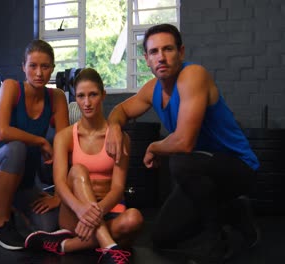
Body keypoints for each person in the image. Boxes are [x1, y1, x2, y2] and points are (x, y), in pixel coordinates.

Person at [105, 24, 260, 264]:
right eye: (154, 51)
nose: (161, 57)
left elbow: (184, 142)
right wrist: (114, 126)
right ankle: (235, 212)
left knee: (180, 161)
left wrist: (153, 147)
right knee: (162, 237)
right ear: (146, 59)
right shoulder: (152, 89)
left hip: (238, 168)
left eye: (168, 49)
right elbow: (121, 109)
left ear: (182, 52)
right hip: (201, 175)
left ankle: (215, 240)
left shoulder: (193, 75)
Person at [25, 68, 143, 264]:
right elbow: (60, 183)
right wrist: (82, 210)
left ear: (103, 95)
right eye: (81, 96)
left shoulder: (120, 138)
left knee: (135, 219)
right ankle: (109, 247)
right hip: (74, 212)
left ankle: (64, 245)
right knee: (78, 170)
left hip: (108, 209)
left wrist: (94, 215)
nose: (87, 103)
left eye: (93, 95)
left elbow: (117, 188)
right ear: (75, 98)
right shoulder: (65, 137)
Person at [0, 39, 70, 251]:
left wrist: (59, 196)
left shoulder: (57, 98)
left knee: (49, 226)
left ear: (52, 68)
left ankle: (16, 209)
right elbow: (2, 132)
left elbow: (63, 146)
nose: (38, 73)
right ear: (23, 67)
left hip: (25, 181)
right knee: (17, 147)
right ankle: (2, 226)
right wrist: (41, 140)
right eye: (33, 66)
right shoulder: (10, 87)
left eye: (45, 66)